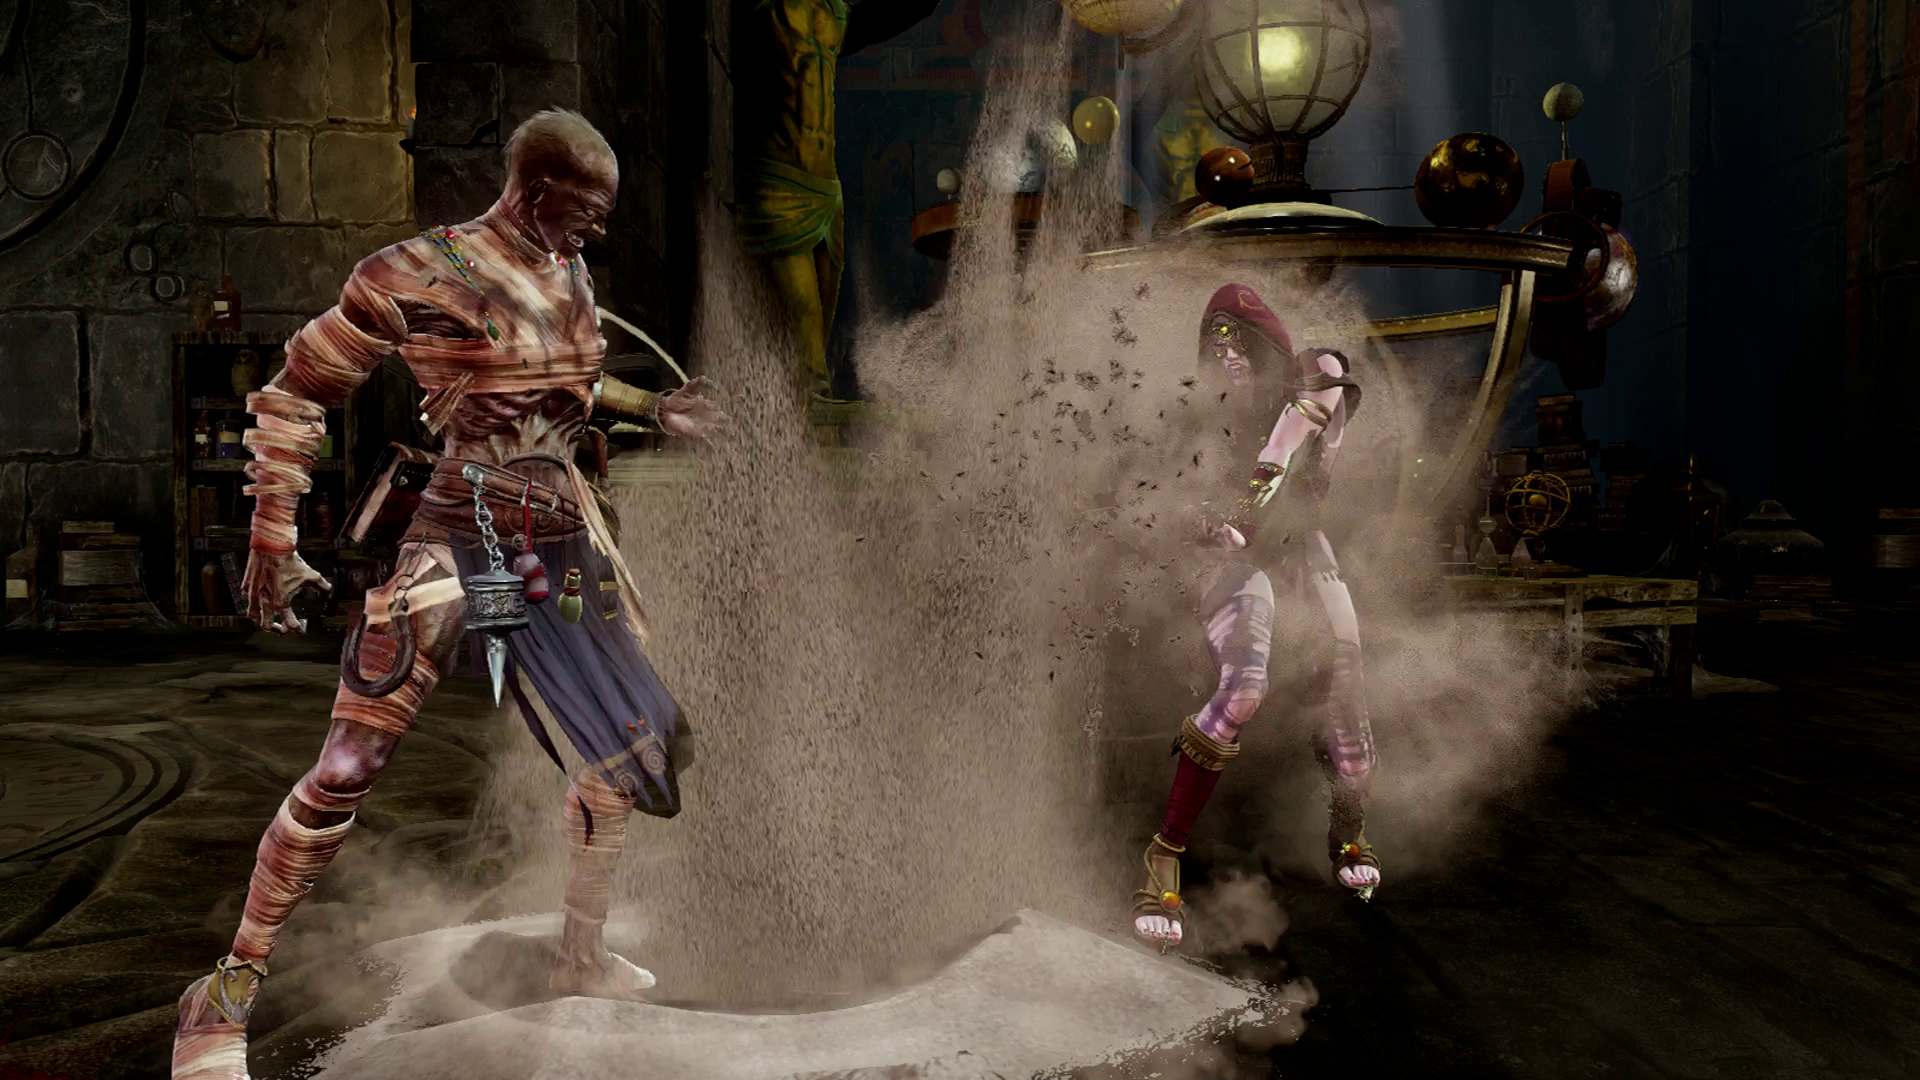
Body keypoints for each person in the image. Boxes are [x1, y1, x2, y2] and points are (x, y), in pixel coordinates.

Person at [171, 109, 728, 1080]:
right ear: (536, 190)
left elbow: (564, 384)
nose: (598, 230)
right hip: (461, 540)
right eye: (589, 209)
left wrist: (653, 409)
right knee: (349, 763)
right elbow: (298, 390)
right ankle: (223, 995)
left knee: (621, 752)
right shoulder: (418, 272)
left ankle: (580, 954)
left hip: (560, 550)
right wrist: (271, 535)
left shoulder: (571, 271)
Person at [1132, 283, 1380, 950]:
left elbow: (1284, 449)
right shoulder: (1205, 414)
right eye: (1216, 344)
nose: (1228, 354)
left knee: (1348, 703)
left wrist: (1240, 516)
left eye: (1237, 338)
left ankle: (1348, 828)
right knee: (1243, 690)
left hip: (1299, 549)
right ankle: (1164, 853)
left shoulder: (1317, 372)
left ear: (1265, 340)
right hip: (1239, 560)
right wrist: (1196, 520)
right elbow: (1170, 492)